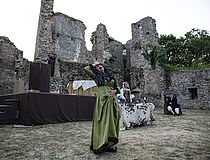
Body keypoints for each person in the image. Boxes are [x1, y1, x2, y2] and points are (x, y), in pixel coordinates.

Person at [84, 59, 120, 154]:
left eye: (101, 65)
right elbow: (86, 69)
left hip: (113, 100)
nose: (100, 67)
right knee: (103, 120)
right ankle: (100, 143)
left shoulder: (111, 76)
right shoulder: (96, 76)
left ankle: (110, 144)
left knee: (112, 120)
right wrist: (94, 64)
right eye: (98, 66)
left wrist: (115, 91)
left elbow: (118, 87)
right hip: (103, 100)